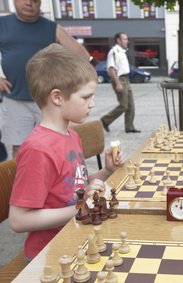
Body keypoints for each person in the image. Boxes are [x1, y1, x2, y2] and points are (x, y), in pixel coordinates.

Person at [8, 44, 124, 261]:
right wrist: (82, 208)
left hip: (77, 241)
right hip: (49, 257)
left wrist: (106, 171)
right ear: (57, 97)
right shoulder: (38, 149)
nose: (92, 104)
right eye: (86, 97)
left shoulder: (71, 136)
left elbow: (72, 186)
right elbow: (18, 221)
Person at [0, 0, 91, 158]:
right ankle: (25, 182)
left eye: (35, 0)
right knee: (20, 148)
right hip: (15, 99)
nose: (29, 3)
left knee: (57, 145)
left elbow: (82, 56)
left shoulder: (51, 27)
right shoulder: (2, 24)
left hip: (48, 102)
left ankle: (59, 181)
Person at [100, 32, 140, 133]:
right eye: (125, 39)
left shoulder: (122, 52)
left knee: (131, 105)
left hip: (126, 79)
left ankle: (129, 127)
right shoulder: (114, 52)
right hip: (120, 79)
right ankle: (105, 120)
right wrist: (117, 83)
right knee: (123, 105)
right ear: (118, 40)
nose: (128, 41)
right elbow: (111, 69)